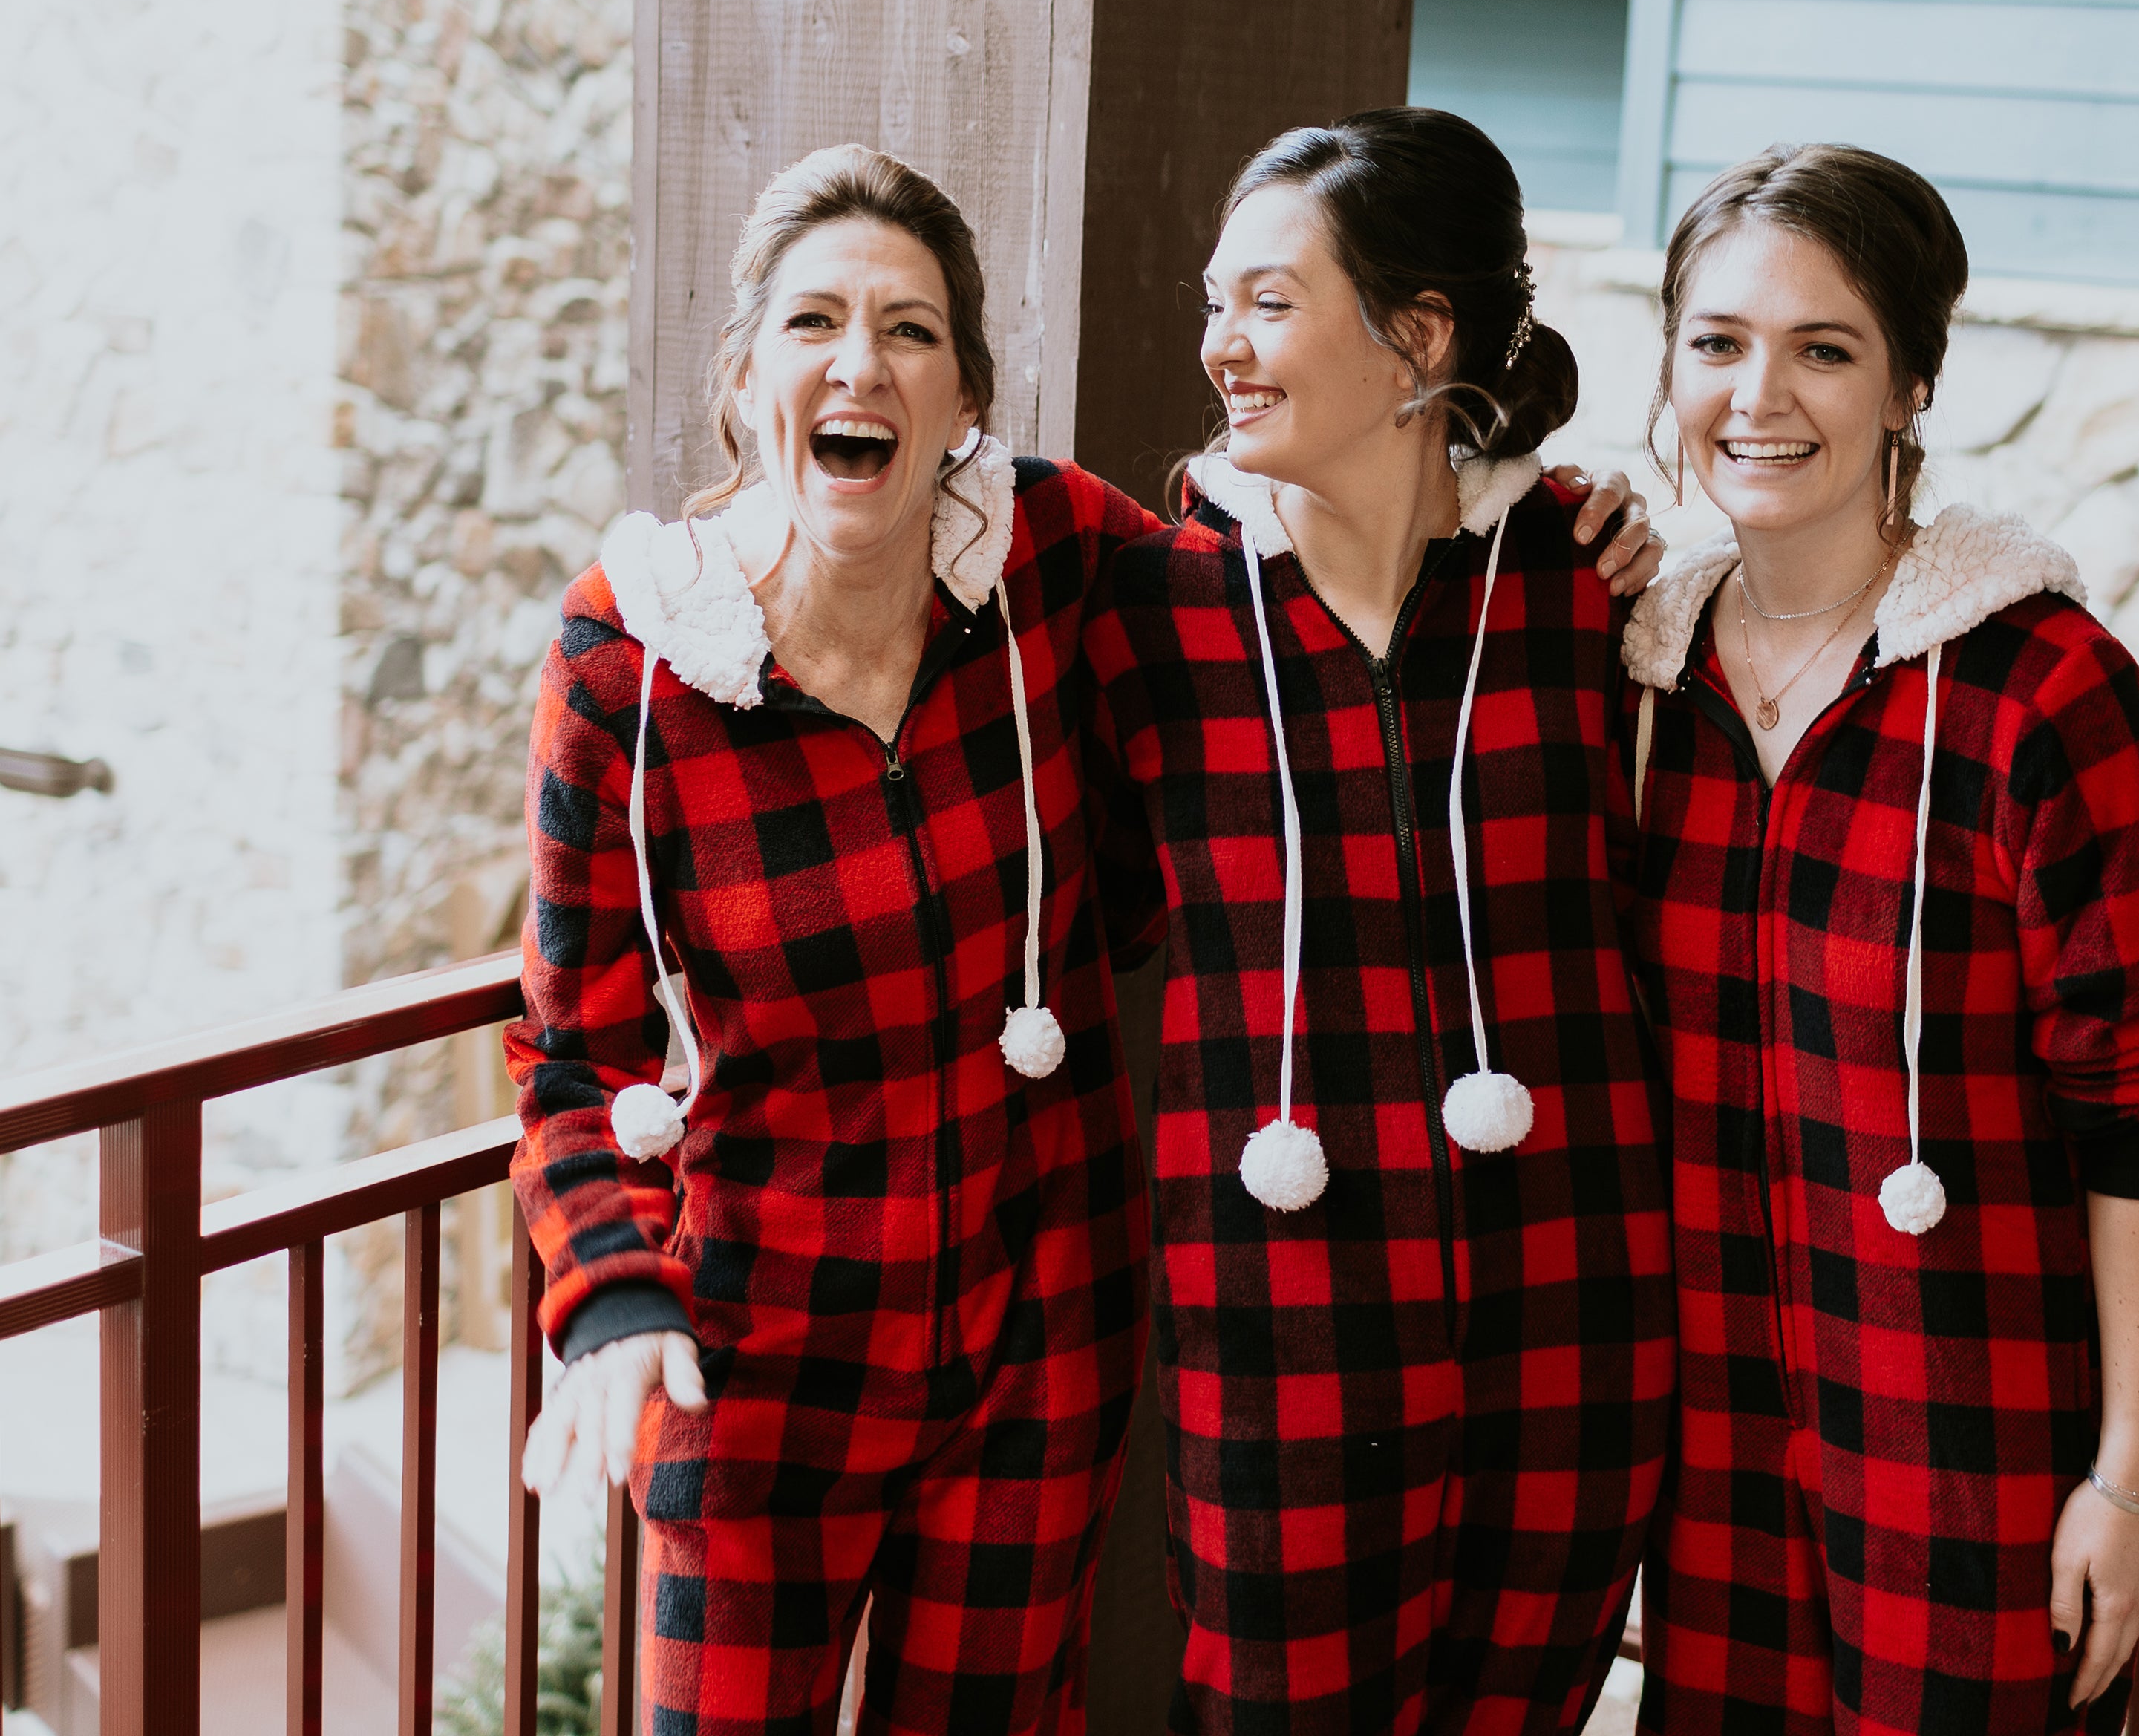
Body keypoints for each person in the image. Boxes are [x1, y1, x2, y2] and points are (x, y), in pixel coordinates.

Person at [505, 144, 1161, 1734]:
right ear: (744, 384)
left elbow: (1290, 598)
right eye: (813, 324)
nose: (860, 363)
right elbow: (567, 1048)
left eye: (911, 331)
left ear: (962, 405)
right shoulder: (627, 663)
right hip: (751, 1354)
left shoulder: (1056, 564)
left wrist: (1544, 511)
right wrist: (612, 1293)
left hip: (1035, 1342)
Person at [1616, 144, 2139, 1734]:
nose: (1760, 394)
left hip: (1977, 1451)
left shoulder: (2042, 688)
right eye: (1718, 342)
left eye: (1825, 349)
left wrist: (2126, 1483)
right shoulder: (1631, 687)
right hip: (1711, 1460)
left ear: (1908, 388)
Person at [1083, 108, 1674, 1735]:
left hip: (1576, 1323)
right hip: (1286, 1353)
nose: (1221, 345)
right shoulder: (1147, 616)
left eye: (1269, 302)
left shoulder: (1585, 585)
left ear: (1419, 338)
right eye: (1219, 301)